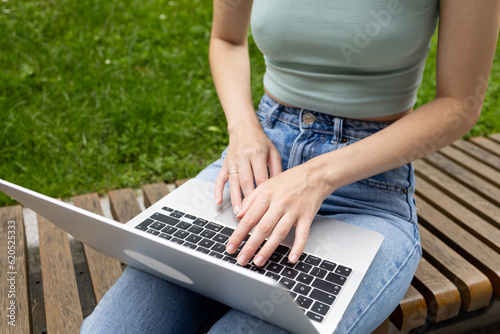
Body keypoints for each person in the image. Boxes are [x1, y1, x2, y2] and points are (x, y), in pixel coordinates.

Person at [81, 1, 500, 333]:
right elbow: (226, 39)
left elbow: (460, 103)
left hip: (366, 193)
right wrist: (243, 130)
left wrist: (316, 177)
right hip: (258, 167)